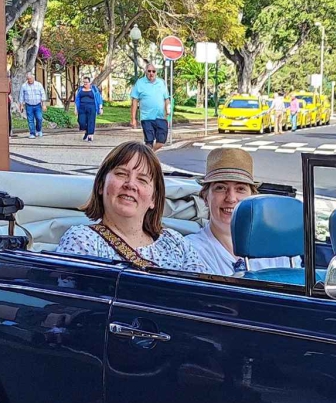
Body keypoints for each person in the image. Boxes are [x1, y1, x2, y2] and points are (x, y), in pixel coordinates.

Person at [56, 141, 204, 272]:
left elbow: (205, 296)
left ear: (153, 198)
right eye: (121, 174)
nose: (131, 184)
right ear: (101, 185)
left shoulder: (176, 242)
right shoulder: (83, 241)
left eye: (142, 179)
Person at [186, 147, 259, 276]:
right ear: (205, 197)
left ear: (253, 197)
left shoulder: (278, 250)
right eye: (220, 188)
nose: (231, 198)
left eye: (240, 189)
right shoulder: (189, 250)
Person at [130, 62, 171, 151]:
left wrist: (168, 110)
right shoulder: (140, 83)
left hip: (161, 117)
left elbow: (166, 98)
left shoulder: (161, 83)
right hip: (147, 118)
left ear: (156, 72)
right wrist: (133, 119)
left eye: (153, 71)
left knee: (161, 142)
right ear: (146, 72)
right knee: (149, 142)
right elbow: (134, 101)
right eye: (149, 71)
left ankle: (150, 154)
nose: (151, 73)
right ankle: (149, 158)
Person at [17, 71, 47, 138]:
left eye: (30, 78)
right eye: (28, 79)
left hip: (37, 105)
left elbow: (43, 94)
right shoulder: (24, 86)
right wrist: (21, 105)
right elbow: (21, 96)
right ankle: (32, 133)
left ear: (33, 77)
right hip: (29, 105)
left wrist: (44, 104)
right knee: (30, 120)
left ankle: (38, 130)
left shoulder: (39, 85)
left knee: (39, 118)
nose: (29, 80)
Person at [75, 77, 103, 142]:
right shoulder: (80, 89)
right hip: (82, 107)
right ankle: (87, 131)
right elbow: (77, 99)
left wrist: (100, 108)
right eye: (84, 82)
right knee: (81, 121)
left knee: (91, 121)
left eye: (86, 82)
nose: (85, 84)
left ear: (90, 82)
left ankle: (90, 135)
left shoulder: (94, 89)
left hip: (92, 106)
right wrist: (76, 109)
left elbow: (99, 99)